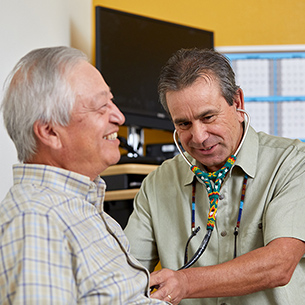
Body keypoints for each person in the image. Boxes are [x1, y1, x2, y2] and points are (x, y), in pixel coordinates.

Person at [124, 48, 305, 305]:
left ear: (238, 102)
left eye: (208, 117)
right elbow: (126, 273)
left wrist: (185, 282)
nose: (198, 137)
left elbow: (280, 264)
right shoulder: (157, 184)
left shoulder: (293, 162)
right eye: (183, 124)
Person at [0, 46, 169, 304]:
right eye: (101, 107)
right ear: (50, 132)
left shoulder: (84, 207)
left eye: (111, 101)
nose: (119, 117)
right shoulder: (36, 222)